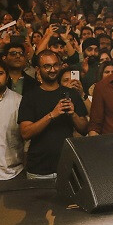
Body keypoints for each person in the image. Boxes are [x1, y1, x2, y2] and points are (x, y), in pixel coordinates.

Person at [18, 49, 88, 179]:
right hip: (39, 169)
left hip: (67, 167)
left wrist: (73, 114)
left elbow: (84, 129)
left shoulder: (71, 93)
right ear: (38, 69)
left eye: (56, 65)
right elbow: (25, 133)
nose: (53, 70)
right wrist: (51, 115)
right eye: (47, 66)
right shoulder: (30, 97)